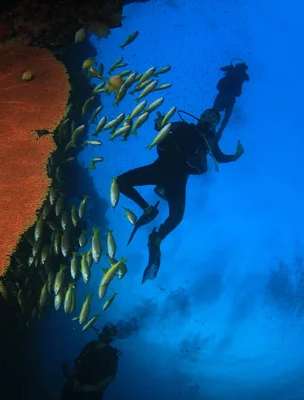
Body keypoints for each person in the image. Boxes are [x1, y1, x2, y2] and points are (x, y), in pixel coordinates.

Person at [116, 109, 244, 283]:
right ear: (202, 114)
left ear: (215, 124)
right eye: (207, 113)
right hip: (159, 168)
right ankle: (147, 209)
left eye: (214, 117)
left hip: (177, 179)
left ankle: (157, 239)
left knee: (177, 217)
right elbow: (161, 127)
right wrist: (159, 123)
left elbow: (219, 157)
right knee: (120, 182)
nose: (209, 116)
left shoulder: (209, 140)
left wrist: (235, 156)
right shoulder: (183, 125)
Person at [61, 324, 121, 400]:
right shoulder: (91, 344)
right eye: (103, 331)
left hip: (92, 394)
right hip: (75, 386)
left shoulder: (112, 354)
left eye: (104, 332)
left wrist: (94, 388)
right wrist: (75, 379)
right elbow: (79, 361)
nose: (101, 333)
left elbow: (111, 376)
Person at [213, 61, 250, 140]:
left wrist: (230, 68)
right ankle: (218, 132)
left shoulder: (233, 71)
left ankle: (214, 130)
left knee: (214, 112)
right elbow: (247, 79)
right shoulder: (242, 74)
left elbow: (221, 69)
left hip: (223, 94)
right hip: (230, 97)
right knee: (225, 117)